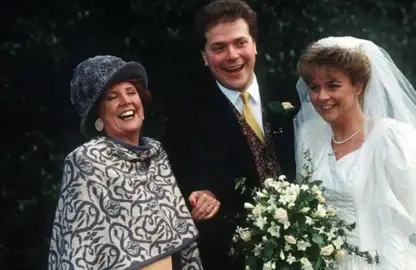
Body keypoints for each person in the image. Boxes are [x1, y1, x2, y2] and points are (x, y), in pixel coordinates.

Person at [294, 36, 416, 269]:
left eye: (333, 85)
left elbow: (395, 228)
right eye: (314, 87)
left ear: (358, 86)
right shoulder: (309, 136)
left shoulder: (392, 140)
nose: (322, 97)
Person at [161, 0, 299, 269]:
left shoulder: (293, 97)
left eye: (240, 43)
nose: (232, 55)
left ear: (255, 45)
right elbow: (177, 183)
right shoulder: (185, 117)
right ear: (204, 56)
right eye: (219, 48)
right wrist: (198, 195)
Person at [48, 55, 203, 270]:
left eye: (131, 92)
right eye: (112, 97)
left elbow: (182, 247)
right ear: (98, 116)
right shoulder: (87, 161)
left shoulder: (156, 156)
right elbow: (77, 253)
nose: (126, 101)